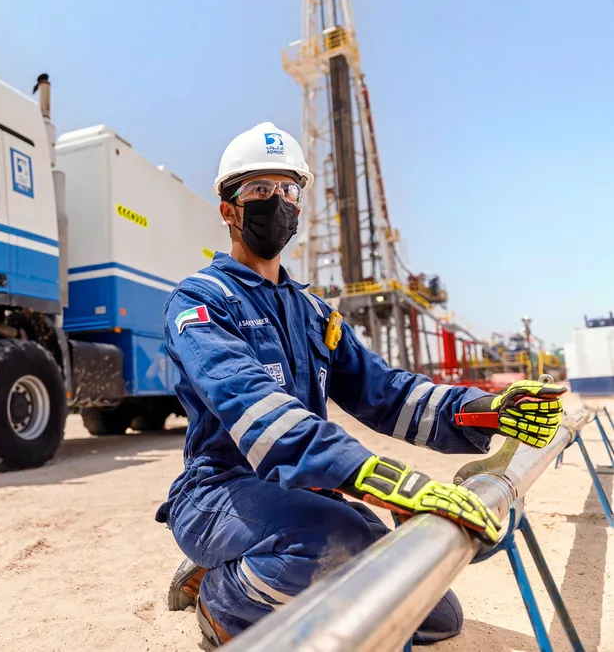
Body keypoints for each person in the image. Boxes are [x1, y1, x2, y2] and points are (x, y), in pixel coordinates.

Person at [154, 122, 566, 647]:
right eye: (260, 189)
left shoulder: (311, 312)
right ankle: (222, 599)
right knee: (334, 540)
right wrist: (378, 478)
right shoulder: (201, 301)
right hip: (220, 491)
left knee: (433, 611)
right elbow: (252, 403)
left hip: (303, 492)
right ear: (228, 208)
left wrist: (480, 409)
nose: (277, 202)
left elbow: (385, 391)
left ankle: (264, 565)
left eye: (288, 190)